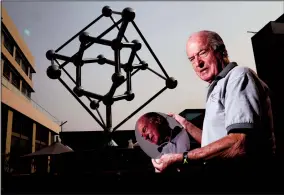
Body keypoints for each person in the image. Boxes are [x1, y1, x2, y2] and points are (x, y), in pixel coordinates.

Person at [151, 30, 277, 185]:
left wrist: (182, 158)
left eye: (202, 53)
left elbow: (239, 143)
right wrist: (186, 124)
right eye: (192, 59)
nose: (198, 63)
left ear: (221, 51)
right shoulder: (217, 86)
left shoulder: (238, 76)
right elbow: (213, 142)